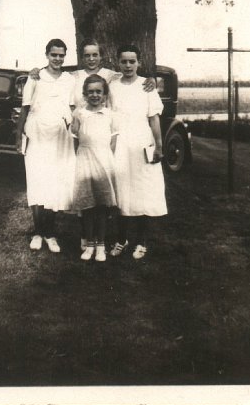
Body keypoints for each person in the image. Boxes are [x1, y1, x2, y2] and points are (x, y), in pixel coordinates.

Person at [29, 38, 156, 250]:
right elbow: (51, 75)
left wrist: (150, 78)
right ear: (82, 57)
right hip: (81, 136)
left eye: (94, 55)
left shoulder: (111, 75)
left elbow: (132, 77)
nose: (91, 59)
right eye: (87, 55)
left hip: (105, 137)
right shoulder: (74, 76)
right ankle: (85, 237)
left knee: (103, 190)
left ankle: (101, 237)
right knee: (84, 188)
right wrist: (35, 70)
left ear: (101, 56)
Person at [15, 39, 76, 253]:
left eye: (61, 55)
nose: (57, 59)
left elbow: (72, 106)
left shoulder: (70, 79)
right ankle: (38, 232)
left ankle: (50, 234)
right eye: (54, 55)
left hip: (60, 136)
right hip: (37, 133)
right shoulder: (35, 77)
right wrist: (18, 136)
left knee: (55, 183)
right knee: (37, 181)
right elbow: (24, 108)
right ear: (47, 55)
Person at [108, 44, 167, 260]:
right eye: (124, 61)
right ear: (118, 62)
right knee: (121, 191)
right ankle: (121, 239)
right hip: (120, 143)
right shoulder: (112, 86)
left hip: (142, 142)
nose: (128, 65)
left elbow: (153, 118)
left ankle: (142, 241)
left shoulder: (146, 86)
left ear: (139, 63)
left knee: (142, 190)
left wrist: (159, 146)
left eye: (132, 61)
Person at [71, 74, 118, 262]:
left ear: (105, 94)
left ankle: (101, 245)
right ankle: (89, 244)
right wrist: (82, 157)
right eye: (90, 92)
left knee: (102, 206)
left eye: (99, 91)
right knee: (88, 206)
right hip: (84, 161)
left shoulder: (110, 115)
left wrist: (106, 161)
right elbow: (75, 141)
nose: (95, 95)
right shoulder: (79, 114)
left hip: (104, 162)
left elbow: (113, 142)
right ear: (84, 94)